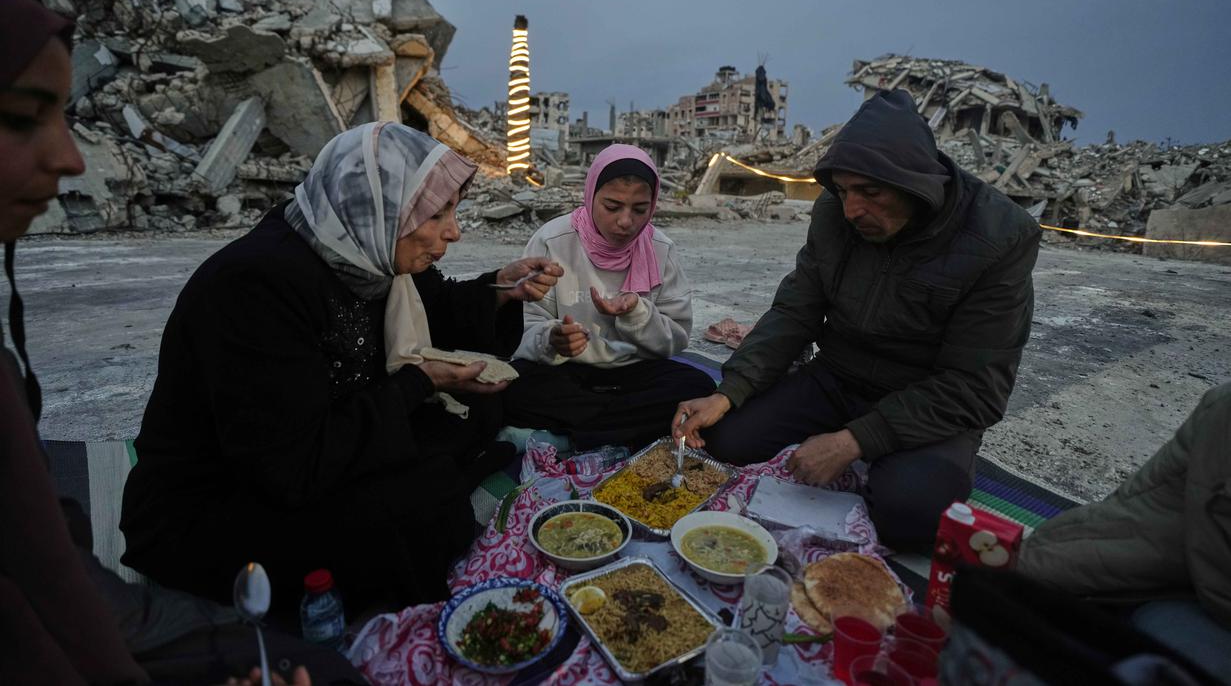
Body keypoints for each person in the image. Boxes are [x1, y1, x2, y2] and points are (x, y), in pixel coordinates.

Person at [0, 0, 368, 683]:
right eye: (22, 118)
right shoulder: (262, 281)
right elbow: (288, 461)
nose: (74, 160)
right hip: (196, 527)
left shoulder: (362, 270)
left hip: (90, 600)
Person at [120, 121, 561, 615]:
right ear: (378, 207)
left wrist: (501, 289)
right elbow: (288, 463)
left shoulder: (364, 252)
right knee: (418, 507)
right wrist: (418, 383)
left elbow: (438, 309)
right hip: (219, 498)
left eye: (452, 212)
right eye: (437, 214)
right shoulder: (256, 287)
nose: (454, 232)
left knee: (484, 401)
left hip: (328, 441)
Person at [674, 89, 1041, 550]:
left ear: (917, 184)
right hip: (838, 375)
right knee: (722, 440)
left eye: (870, 192)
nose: (852, 210)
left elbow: (977, 386)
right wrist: (729, 392)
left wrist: (854, 441)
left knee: (912, 516)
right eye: (845, 191)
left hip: (925, 398)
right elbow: (796, 308)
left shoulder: (999, 238)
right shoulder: (836, 212)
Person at [502, 144, 714, 451]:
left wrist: (637, 313)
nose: (626, 222)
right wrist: (553, 338)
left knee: (697, 387)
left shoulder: (661, 248)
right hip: (564, 371)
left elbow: (676, 338)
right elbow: (522, 326)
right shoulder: (552, 240)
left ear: (652, 205)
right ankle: (617, 431)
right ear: (590, 197)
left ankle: (567, 436)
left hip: (633, 371)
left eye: (640, 209)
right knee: (510, 387)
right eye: (612, 207)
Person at [1018, 382, 1231, 677]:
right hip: (1199, 605)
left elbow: (972, 394)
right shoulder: (1223, 415)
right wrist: (1016, 569)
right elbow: (1141, 527)